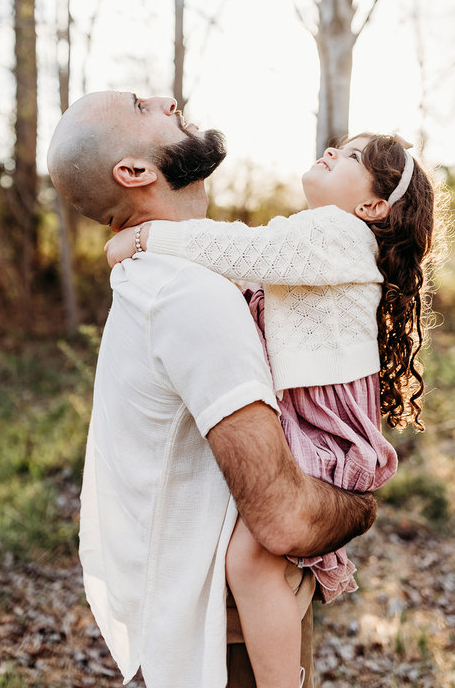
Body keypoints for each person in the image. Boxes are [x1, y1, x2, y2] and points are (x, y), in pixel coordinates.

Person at [47, 90, 378, 688]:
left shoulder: (150, 278)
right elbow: (285, 521)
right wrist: (362, 503)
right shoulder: (189, 295)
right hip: (221, 651)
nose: (166, 99)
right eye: (142, 107)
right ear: (135, 172)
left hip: (179, 626)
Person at [105, 131, 441, 688]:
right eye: (338, 145)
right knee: (254, 559)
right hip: (307, 416)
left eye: (351, 156)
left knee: (252, 561)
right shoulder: (322, 242)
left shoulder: (339, 233)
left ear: (373, 207)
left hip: (322, 422)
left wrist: (146, 238)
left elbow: (241, 251)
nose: (333, 151)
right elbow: (249, 270)